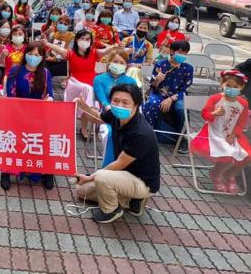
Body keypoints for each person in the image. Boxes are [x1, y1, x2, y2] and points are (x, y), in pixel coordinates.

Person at [75, 83, 160, 223]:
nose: (119, 105)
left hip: (142, 182)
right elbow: (97, 118)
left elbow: (120, 163)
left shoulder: (140, 133)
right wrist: (83, 106)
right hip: (122, 175)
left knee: (101, 176)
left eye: (125, 102)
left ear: (136, 105)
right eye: (115, 100)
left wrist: (91, 177)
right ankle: (131, 201)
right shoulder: (115, 115)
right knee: (81, 191)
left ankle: (112, 210)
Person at [43, 30, 116, 141]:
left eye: (87, 39)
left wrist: (115, 46)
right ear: (76, 40)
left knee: (91, 90)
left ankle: (84, 127)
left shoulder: (94, 53)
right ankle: (89, 118)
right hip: (75, 83)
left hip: (91, 82)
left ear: (91, 41)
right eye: (82, 38)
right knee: (88, 90)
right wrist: (47, 43)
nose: (85, 41)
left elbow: (106, 50)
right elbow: (58, 49)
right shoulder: (71, 53)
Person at [2, 42, 54, 190]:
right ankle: (7, 171)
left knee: (42, 139)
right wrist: (19, 111)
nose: (33, 57)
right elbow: (10, 94)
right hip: (18, 113)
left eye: (37, 55)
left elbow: (49, 93)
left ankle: (46, 171)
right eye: (30, 54)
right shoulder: (16, 70)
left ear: (43, 57)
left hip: (38, 115)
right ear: (25, 54)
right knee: (12, 139)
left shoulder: (45, 73)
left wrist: (49, 100)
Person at [191, 70, 250, 193]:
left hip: (232, 134)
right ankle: (216, 174)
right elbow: (205, 114)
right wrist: (214, 113)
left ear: (241, 87)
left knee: (247, 155)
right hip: (214, 132)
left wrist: (234, 135)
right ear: (222, 84)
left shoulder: (243, 103)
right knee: (227, 152)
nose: (231, 89)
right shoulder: (215, 98)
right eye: (228, 85)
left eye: (235, 87)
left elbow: (241, 122)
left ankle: (230, 174)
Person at [142, 40, 193, 149]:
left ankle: (182, 138)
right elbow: (152, 86)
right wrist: (157, 81)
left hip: (177, 95)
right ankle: (147, 133)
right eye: (180, 52)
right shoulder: (161, 65)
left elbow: (185, 89)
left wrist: (170, 99)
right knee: (152, 104)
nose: (182, 56)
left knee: (180, 108)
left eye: (185, 53)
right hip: (159, 93)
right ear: (172, 51)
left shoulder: (188, 68)